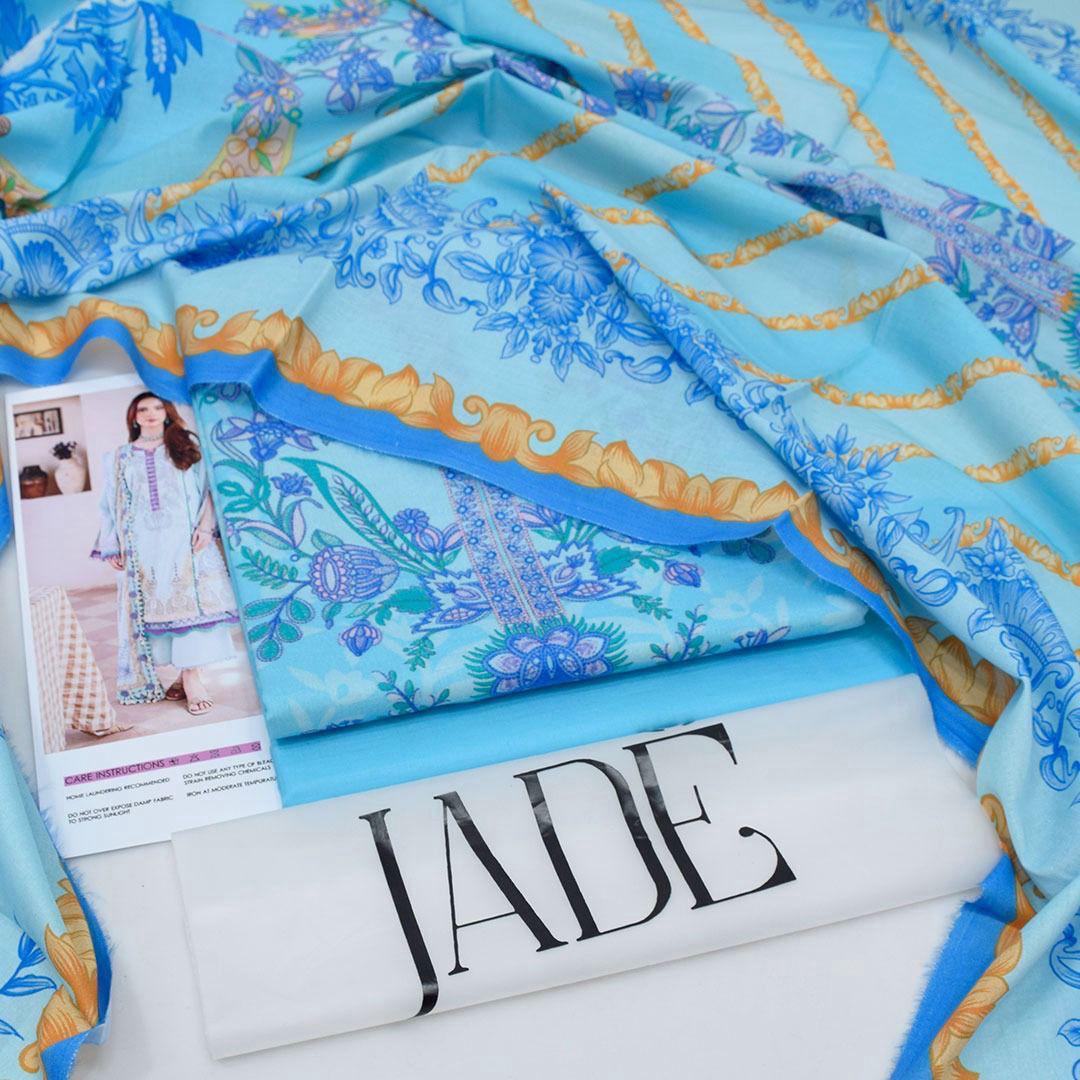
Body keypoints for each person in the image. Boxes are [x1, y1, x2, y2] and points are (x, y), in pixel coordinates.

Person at [91, 391, 240, 715]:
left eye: (158, 407)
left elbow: (210, 488)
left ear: (167, 412)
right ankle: (184, 674)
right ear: (133, 417)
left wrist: (205, 527)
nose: (151, 413)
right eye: (143, 409)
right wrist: (111, 545)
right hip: (144, 549)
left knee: (192, 610)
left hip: (187, 542)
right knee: (158, 614)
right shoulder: (118, 458)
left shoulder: (186, 446)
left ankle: (192, 678)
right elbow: (108, 505)